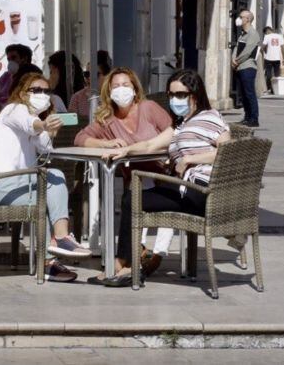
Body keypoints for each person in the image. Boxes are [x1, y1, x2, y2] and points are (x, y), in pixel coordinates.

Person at [93, 69, 231, 287]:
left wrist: (190, 159)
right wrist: (126, 151)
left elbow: (227, 151)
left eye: (181, 95)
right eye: (171, 94)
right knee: (132, 197)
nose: (175, 100)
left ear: (195, 94)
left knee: (133, 199)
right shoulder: (180, 125)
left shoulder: (210, 117)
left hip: (203, 192)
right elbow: (150, 144)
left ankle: (126, 265)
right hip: (189, 190)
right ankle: (125, 263)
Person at [0, 70, 91, 282]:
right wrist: (43, 125)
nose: (42, 94)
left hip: (14, 185)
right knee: (54, 175)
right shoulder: (13, 109)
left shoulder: (36, 119)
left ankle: (47, 263)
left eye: (47, 91)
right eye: (36, 90)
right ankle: (61, 237)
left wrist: (49, 131)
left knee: (47, 194)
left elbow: (44, 148)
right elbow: (29, 124)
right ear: (22, 93)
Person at [74, 67, 175, 276]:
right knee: (133, 194)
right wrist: (106, 143)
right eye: (116, 86)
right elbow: (80, 138)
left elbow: (174, 133)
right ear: (108, 91)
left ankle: (144, 256)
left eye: (125, 85)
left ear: (135, 89)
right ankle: (133, 256)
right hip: (138, 179)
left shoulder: (149, 108)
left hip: (165, 173)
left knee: (136, 195)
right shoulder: (107, 119)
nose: (121, 90)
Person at [231, 10, 260, 128]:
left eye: (241, 17)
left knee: (249, 93)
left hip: (248, 67)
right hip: (240, 67)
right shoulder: (243, 34)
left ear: (248, 19)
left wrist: (236, 61)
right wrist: (233, 59)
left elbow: (247, 51)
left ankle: (254, 118)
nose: (239, 19)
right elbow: (237, 48)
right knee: (243, 94)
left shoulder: (253, 34)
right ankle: (247, 117)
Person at [69, 50, 112, 119]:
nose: (89, 78)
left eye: (95, 74)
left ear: (107, 76)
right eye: (87, 74)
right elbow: (72, 126)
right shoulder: (77, 98)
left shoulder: (115, 97)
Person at [261, 26, 284, 95]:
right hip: (277, 58)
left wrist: (264, 53)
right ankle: (275, 89)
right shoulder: (279, 36)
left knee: (268, 75)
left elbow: (263, 47)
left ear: (266, 31)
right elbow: (282, 47)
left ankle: (269, 89)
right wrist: (283, 58)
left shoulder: (267, 36)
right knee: (277, 75)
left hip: (268, 58)